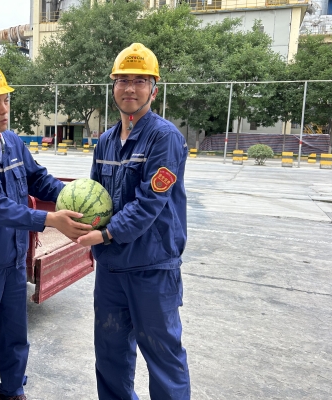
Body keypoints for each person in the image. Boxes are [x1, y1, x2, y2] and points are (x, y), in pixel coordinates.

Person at [0, 59, 93, 400]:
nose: (3, 108)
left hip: (12, 264)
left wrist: (72, 195)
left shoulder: (11, 142)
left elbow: (38, 178)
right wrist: (49, 219)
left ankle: (12, 393)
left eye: (6, 99)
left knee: (15, 340)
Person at [77, 43, 191, 399]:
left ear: (154, 90)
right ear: (112, 88)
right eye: (122, 80)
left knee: (163, 355)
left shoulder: (165, 138)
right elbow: (95, 195)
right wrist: (81, 223)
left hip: (151, 267)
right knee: (110, 355)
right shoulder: (106, 141)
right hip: (111, 269)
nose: (130, 88)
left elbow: (149, 204)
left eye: (140, 81)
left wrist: (105, 235)